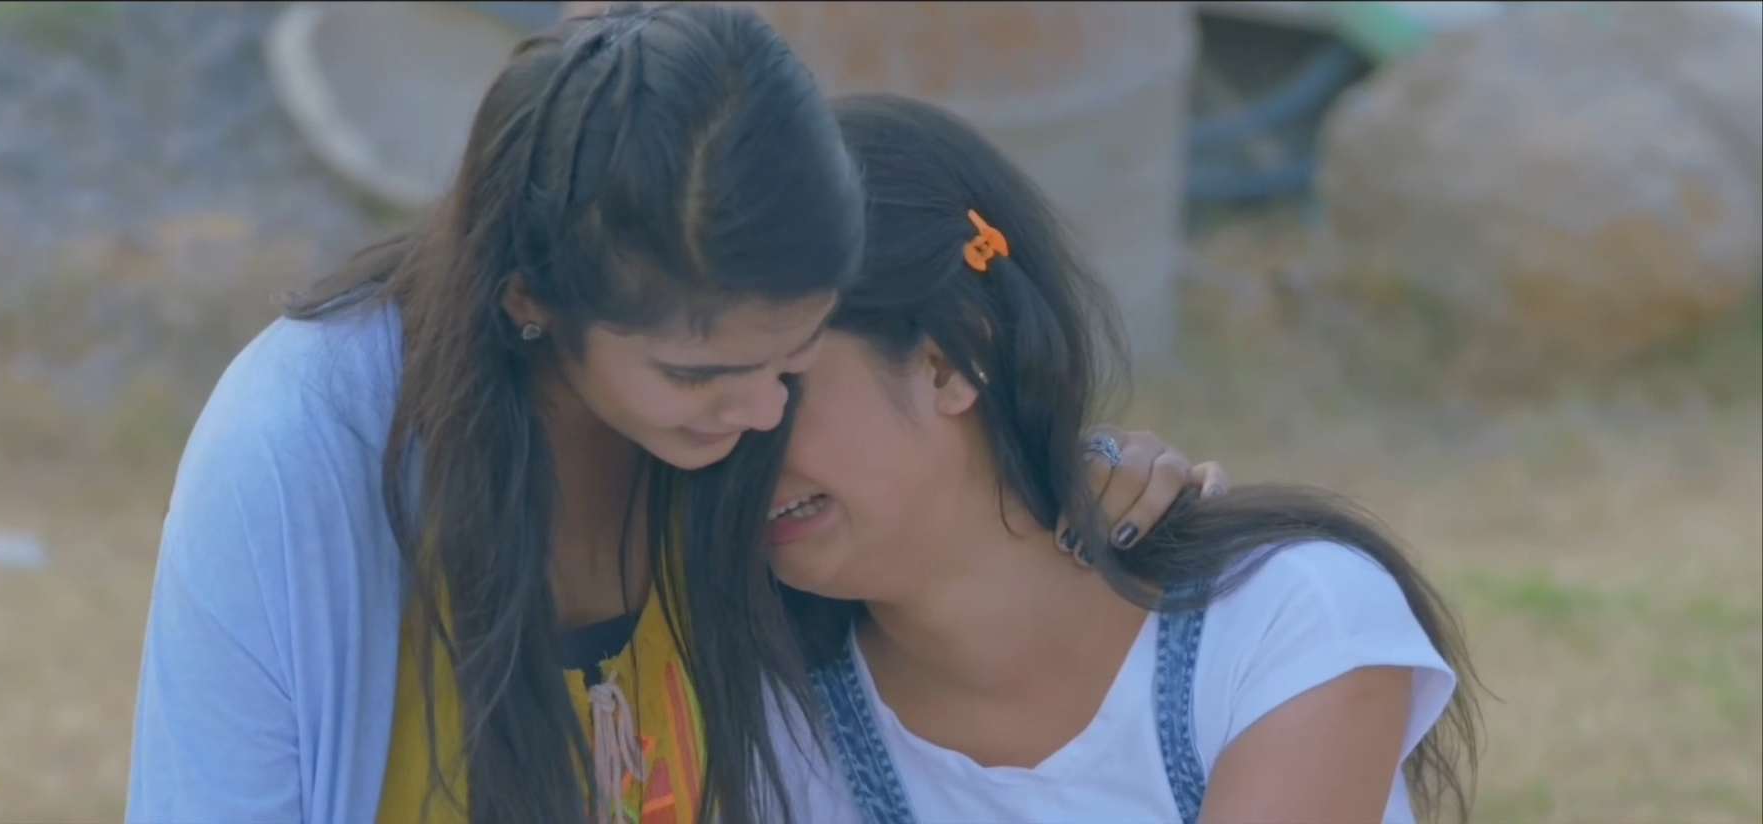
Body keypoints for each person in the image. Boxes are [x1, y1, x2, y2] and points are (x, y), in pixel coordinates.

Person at [125, 6, 1222, 824]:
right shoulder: (300, 450)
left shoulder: (726, 451)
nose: (760, 413)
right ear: (532, 301)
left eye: (794, 360)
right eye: (701, 375)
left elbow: (937, 548)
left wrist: (1056, 469)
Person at [752, 93, 1482, 824]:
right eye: (708, 395)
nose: (741, 439)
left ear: (949, 363)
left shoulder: (1282, 620)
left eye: (782, 382)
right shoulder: (767, 725)